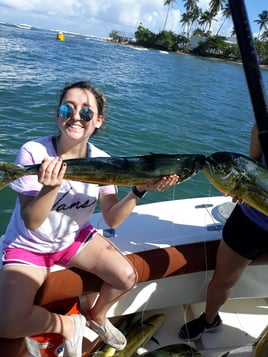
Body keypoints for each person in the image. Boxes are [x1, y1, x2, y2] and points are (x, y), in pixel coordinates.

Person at [0, 80, 179, 357]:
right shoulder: (34, 152)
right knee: (7, 323)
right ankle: (68, 324)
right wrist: (50, 187)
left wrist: (138, 190)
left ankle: (97, 315)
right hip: (29, 246)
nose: (76, 117)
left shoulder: (104, 162)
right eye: (67, 108)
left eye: (86, 113)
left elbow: (112, 218)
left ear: (97, 121)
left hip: (72, 239)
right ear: (57, 113)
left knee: (126, 276)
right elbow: (31, 221)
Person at [179, 122, 268, 341]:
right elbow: (252, 166)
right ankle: (209, 319)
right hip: (250, 220)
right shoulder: (263, 122)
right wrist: (243, 188)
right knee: (222, 281)